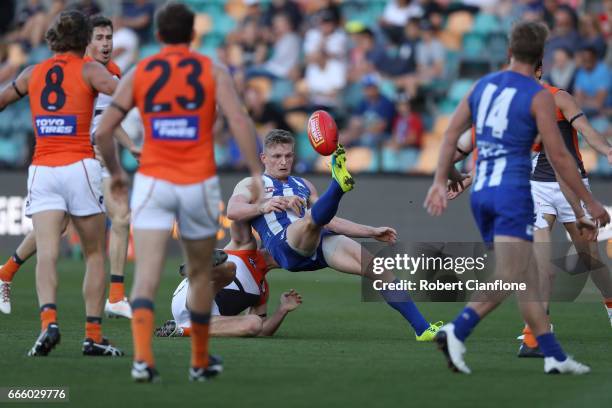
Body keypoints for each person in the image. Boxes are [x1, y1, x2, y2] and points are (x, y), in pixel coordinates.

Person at [424, 21, 610, 374]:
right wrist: (589, 201)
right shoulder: (538, 97)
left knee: (529, 275)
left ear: (509, 53)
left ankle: (551, 354)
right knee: (516, 275)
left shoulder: (484, 87)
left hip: (483, 194)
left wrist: (443, 180)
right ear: (540, 58)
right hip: (516, 192)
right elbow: (558, 158)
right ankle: (457, 330)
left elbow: (453, 138)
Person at [95, 2, 263, 383]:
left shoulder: (140, 71)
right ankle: (199, 361)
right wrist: (255, 171)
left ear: (157, 37)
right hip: (196, 181)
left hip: (153, 181)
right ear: (192, 35)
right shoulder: (212, 69)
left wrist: (118, 174)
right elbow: (238, 118)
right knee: (202, 273)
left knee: (146, 275)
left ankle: (142, 360)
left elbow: (103, 130)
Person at [227, 129, 442, 341]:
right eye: (276, 156)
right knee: (310, 220)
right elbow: (233, 211)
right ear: (264, 158)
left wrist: (371, 231)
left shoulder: (303, 185)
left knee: (379, 269)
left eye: (288, 155)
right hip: (284, 245)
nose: (283, 161)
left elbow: (330, 221)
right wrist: (264, 206)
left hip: (317, 240)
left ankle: (422, 329)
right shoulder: (252, 184)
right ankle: (337, 187)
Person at [0, 10, 124, 357]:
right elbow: (124, 94)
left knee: (48, 251)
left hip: (41, 168)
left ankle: (48, 324)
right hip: (79, 166)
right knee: (95, 252)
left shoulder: (33, 72)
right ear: (85, 38)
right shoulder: (90, 69)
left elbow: (3, 99)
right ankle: (93, 336)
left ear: (52, 37)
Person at [156, 221, 302, 338]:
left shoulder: (263, 289)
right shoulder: (245, 245)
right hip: (190, 298)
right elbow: (237, 215)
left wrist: (282, 310)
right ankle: (198, 270)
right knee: (230, 268)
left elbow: (262, 331)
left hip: (209, 320)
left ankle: (181, 330)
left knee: (254, 324)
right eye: (292, 250)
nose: (294, 257)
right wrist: (263, 205)